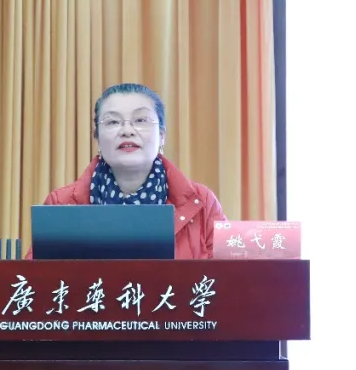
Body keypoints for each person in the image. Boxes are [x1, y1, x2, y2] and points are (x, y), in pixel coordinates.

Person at [27, 82, 226, 259]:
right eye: (113, 122)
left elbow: (228, 279)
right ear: (97, 138)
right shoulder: (61, 204)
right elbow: (36, 282)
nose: (127, 131)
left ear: (162, 136)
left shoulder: (202, 203)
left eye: (141, 120)